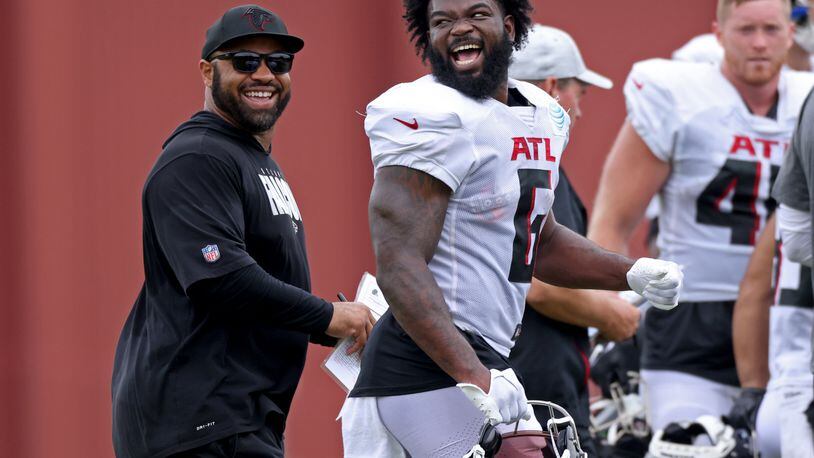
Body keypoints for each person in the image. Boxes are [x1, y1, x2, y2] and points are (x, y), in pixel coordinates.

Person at [340, 1, 683, 456]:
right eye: (442, 20)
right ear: (426, 35)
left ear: (508, 23)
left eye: (476, 14)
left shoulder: (539, 112)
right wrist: (474, 373)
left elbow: (538, 240)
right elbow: (399, 263)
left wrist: (629, 272)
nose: (459, 28)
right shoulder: (429, 112)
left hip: (478, 360)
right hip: (421, 364)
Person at [111, 5, 375, 457]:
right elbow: (221, 277)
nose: (264, 74)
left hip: (238, 420)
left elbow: (261, 290)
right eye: (245, 61)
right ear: (206, 70)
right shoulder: (198, 156)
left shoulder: (250, 159)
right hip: (199, 422)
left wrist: (332, 323)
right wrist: (328, 317)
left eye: (278, 63)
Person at [588, 0, 814, 432]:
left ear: (791, 33)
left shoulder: (808, 100)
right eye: (746, 30)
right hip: (689, 320)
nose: (760, 44)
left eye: (771, 29)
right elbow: (613, 223)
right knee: (688, 443)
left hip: (789, 318)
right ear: (718, 33)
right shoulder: (679, 97)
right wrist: (608, 316)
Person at [504, 24, 637, 457]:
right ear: (552, 87)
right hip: (538, 386)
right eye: (579, 92)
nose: (579, 110)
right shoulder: (534, 162)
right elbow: (537, 283)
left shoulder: (492, 152)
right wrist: (612, 315)